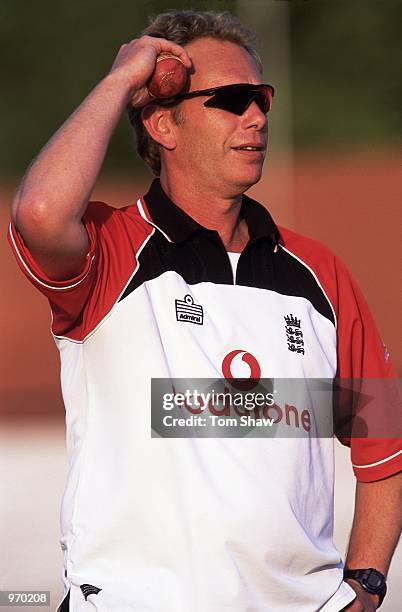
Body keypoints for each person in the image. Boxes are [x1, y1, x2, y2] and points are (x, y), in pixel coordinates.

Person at [7, 9, 402, 612]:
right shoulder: (112, 249)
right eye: (233, 100)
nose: (257, 117)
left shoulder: (322, 273)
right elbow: (37, 213)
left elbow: (386, 441)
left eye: (262, 99)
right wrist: (120, 80)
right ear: (163, 123)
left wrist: (368, 584)